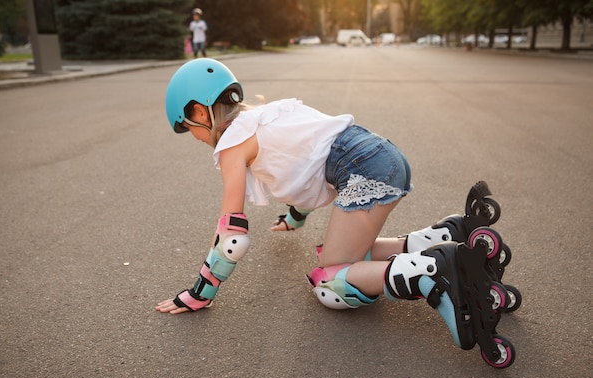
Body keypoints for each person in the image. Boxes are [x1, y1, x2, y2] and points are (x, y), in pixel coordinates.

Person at [156, 58, 496, 354]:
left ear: (199, 111)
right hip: (379, 153)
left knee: (330, 281)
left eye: (188, 129)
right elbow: (304, 164)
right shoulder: (266, 114)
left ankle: (433, 272)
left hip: (362, 170)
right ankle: (443, 237)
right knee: (346, 257)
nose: (196, 137)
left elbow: (232, 239)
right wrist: (294, 216)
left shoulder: (231, 144)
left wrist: (200, 292)